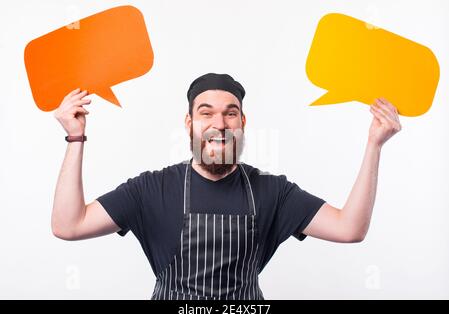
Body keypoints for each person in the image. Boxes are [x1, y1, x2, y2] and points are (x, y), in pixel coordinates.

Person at [51, 73, 401, 300]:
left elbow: (350, 228)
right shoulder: (151, 189)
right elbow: (68, 225)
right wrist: (76, 137)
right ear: (189, 123)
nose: (219, 123)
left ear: (242, 122)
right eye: (206, 113)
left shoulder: (272, 191)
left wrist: (374, 145)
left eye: (230, 113)